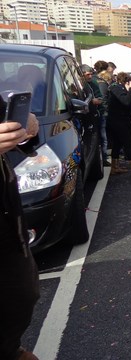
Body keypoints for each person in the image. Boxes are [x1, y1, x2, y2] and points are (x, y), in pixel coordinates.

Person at [1, 113, 40, 360]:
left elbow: (18, 140)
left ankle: (9, 347)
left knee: (25, 293)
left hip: (9, 224)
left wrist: (25, 131)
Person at [96, 69, 113, 166]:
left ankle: (103, 156)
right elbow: (104, 100)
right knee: (103, 137)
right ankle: (104, 157)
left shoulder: (98, 83)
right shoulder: (103, 85)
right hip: (102, 113)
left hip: (100, 112)